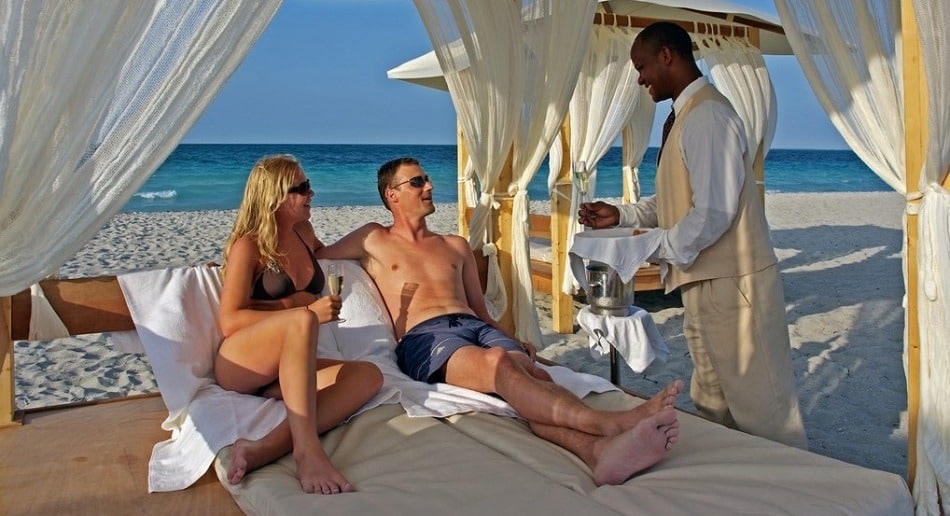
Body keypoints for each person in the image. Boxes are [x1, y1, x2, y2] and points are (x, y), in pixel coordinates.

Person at [316, 157, 684, 486]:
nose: (429, 186)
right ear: (391, 195)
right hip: (425, 339)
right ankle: (609, 424)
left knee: (533, 377)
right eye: (416, 182)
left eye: (427, 179)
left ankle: (596, 453)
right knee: (500, 367)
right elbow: (314, 256)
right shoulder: (372, 238)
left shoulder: (455, 245)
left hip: (476, 328)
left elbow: (480, 309)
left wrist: (508, 335)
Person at [579, 22, 807, 449]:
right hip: (703, 283)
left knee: (764, 411)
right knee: (714, 407)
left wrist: (651, 245)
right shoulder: (684, 117)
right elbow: (675, 203)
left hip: (735, 285)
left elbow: (714, 212)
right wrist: (622, 215)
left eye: (642, 66)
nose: (639, 78)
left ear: (668, 55)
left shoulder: (708, 116)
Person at [214, 154, 384, 494]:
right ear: (275, 197)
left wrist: (379, 238)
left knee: (367, 376)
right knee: (301, 321)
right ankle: (308, 453)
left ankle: (263, 447)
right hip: (243, 363)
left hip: (289, 364)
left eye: (309, 185)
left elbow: (331, 252)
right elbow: (230, 320)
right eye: (302, 188)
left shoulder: (304, 233)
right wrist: (298, 308)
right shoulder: (250, 246)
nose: (312, 193)